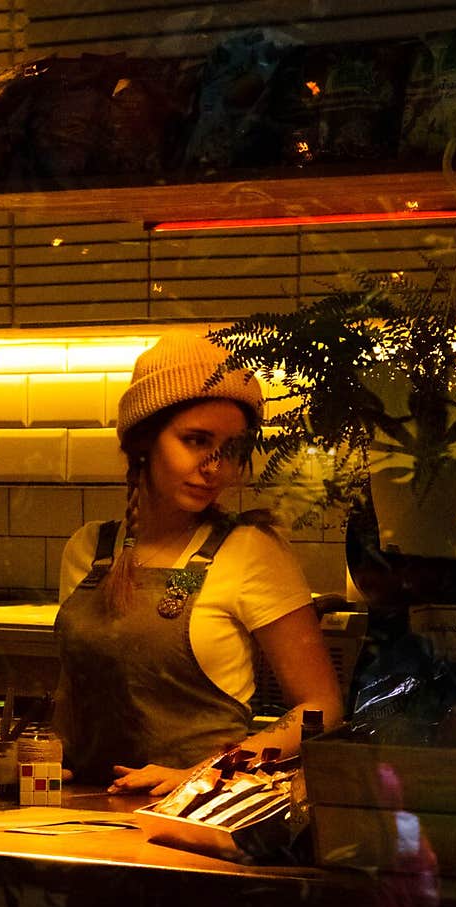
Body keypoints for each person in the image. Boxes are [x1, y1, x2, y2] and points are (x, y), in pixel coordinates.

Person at [53, 332, 344, 792]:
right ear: (144, 439)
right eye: (195, 440)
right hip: (79, 807)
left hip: (195, 811)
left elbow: (320, 704)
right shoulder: (88, 549)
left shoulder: (250, 550)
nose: (215, 466)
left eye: (232, 450)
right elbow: (77, 696)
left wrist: (208, 773)